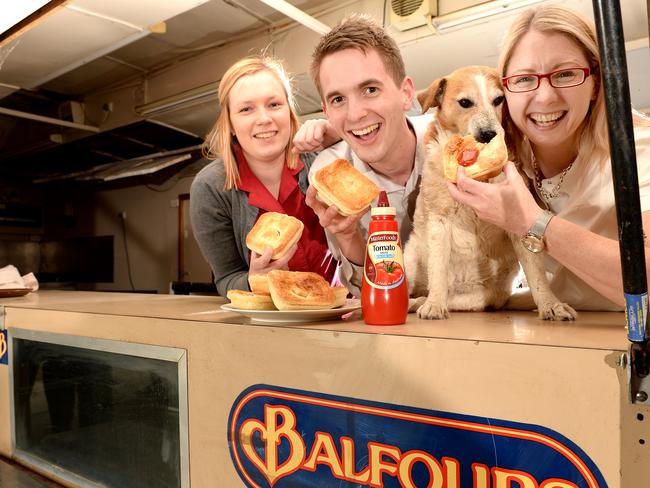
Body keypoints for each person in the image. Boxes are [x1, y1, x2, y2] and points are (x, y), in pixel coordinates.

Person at [447, 4, 650, 311]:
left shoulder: (636, 151)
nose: (544, 97)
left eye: (566, 74)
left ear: (595, 82)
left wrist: (532, 221)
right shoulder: (508, 163)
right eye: (525, 79)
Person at [301, 14, 433, 295]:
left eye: (370, 89)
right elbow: (364, 295)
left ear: (406, 93)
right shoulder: (328, 175)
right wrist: (348, 238)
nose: (355, 114)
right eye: (338, 99)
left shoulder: (449, 146)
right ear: (326, 111)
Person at [190, 56, 340, 296]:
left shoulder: (323, 164)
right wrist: (254, 280)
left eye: (274, 104)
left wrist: (339, 134)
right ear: (229, 122)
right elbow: (227, 278)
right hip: (272, 320)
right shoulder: (211, 188)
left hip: (340, 310)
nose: (264, 119)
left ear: (289, 112)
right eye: (246, 109)